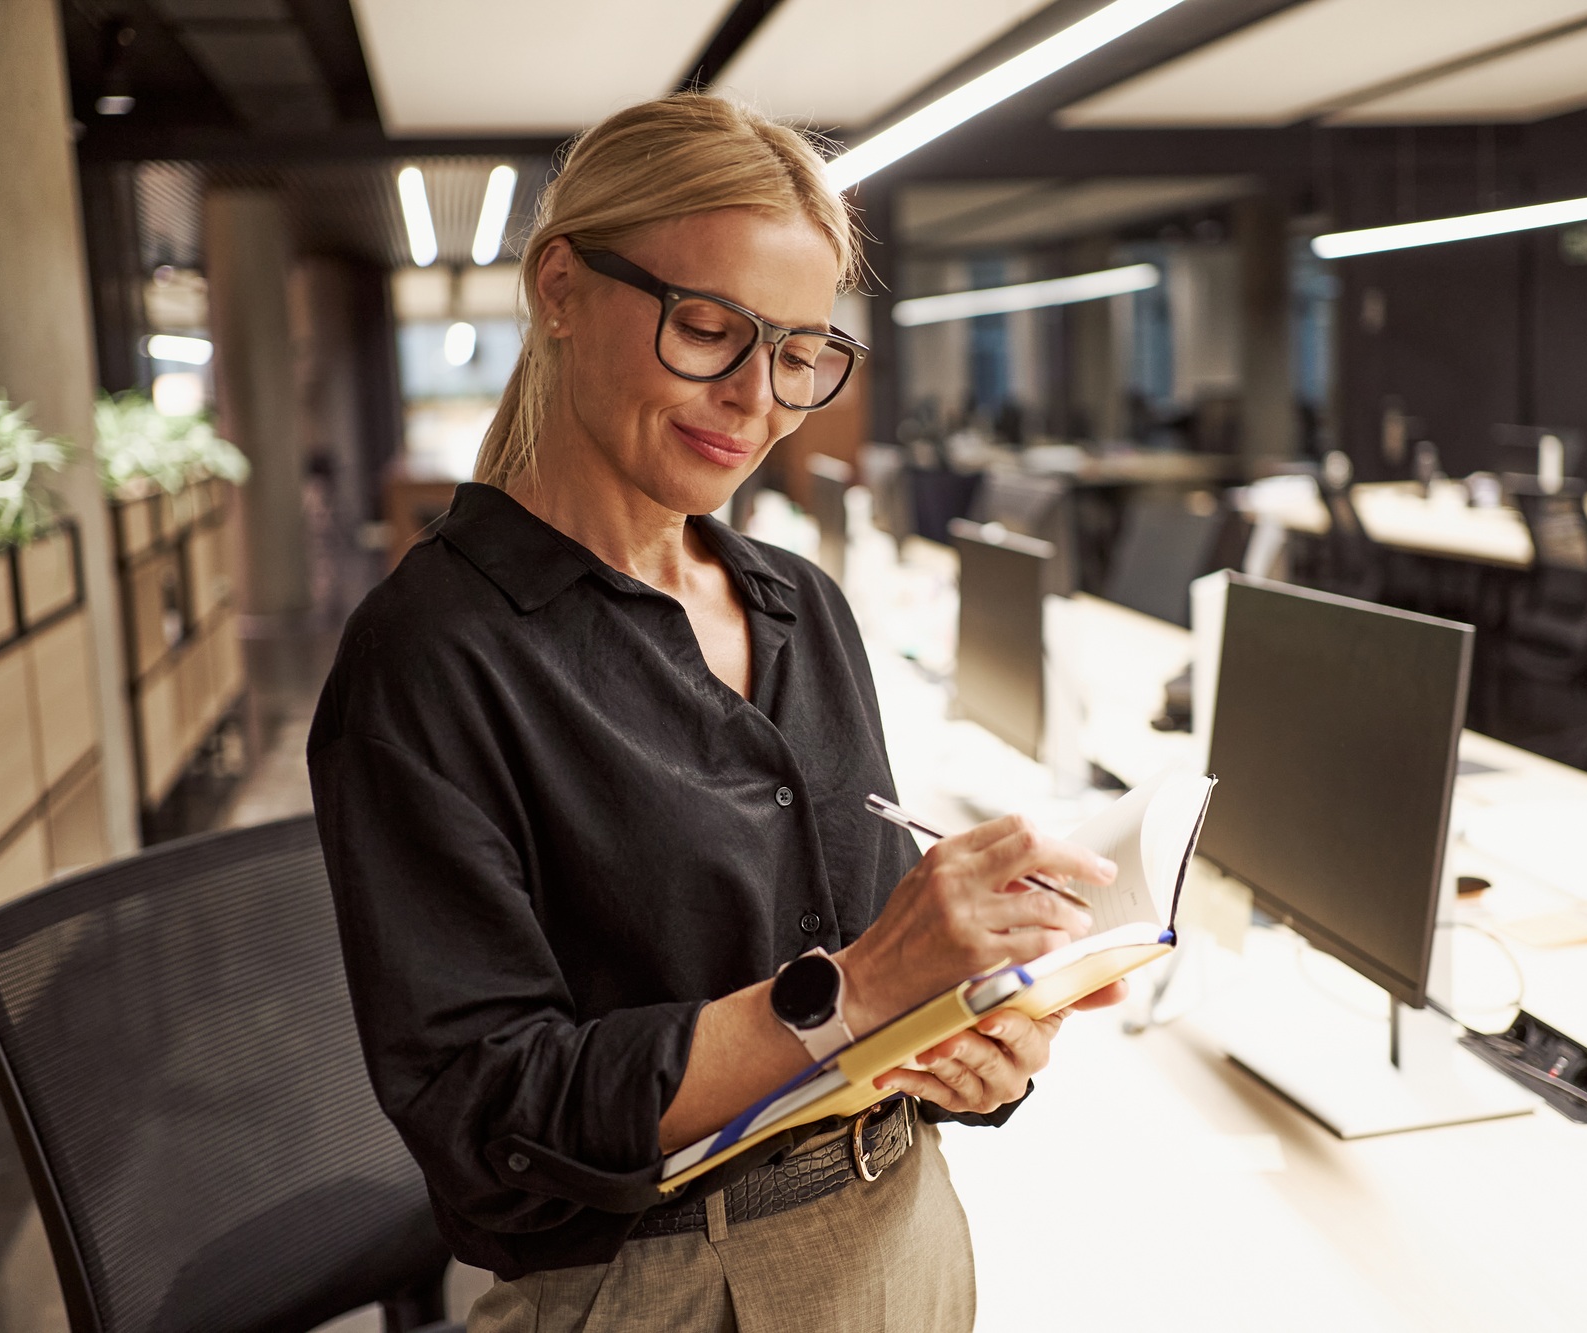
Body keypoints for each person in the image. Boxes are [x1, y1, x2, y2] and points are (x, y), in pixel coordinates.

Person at [307, 93, 1122, 1333]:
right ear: (560, 288)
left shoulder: (801, 603)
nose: (755, 398)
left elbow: (862, 961)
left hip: (906, 1224)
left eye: (798, 352)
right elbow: (490, 1116)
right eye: (705, 329)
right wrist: (853, 995)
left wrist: (966, 1035)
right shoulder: (432, 654)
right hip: (665, 1279)